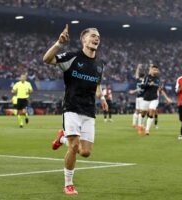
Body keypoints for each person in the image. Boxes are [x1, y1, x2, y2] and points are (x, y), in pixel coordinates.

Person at [43, 24, 108, 195]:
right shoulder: (72, 57)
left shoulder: (100, 64)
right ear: (84, 39)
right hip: (71, 107)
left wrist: (101, 98)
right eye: (93, 35)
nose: (97, 38)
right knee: (74, 146)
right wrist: (58, 43)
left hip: (89, 111)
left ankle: (62, 138)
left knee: (85, 152)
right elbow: (47, 59)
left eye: (98, 36)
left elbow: (98, 83)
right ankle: (68, 184)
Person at [138, 65, 172, 135]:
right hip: (146, 98)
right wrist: (148, 84)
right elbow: (141, 86)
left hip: (154, 98)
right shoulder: (147, 77)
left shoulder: (158, 79)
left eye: (157, 70)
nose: (156, 71)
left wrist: (167, 98)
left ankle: (147, 129)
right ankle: (140, 126)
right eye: (154, 70)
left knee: (152, 111)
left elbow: (161, 90)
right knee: (143, 113)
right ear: (151, 70)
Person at [129, 64, 145, 128]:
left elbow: (136, 74)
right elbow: (140, 88)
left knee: (137, 111)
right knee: (141, 111)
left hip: (138, 97)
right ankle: (140, 125)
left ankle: (133, 123)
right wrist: (133, 91)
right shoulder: (143, 81)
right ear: (144, 77)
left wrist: (138, 67)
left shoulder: (138, 80)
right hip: (142, 97)